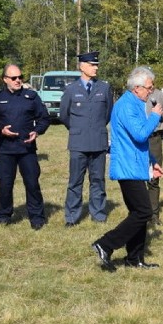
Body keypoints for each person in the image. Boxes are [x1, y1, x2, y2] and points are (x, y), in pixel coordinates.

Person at [91, 66, 163, 271]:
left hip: (136, 166)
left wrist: (152, 161)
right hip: (127, 167)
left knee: (138, 213)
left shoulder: (135, 103)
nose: (151, 91)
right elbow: (141, 134)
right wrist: (155, 116)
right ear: (137, 88)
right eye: (149, 87)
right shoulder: (126, 106)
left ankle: (135, 259)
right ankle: (105, 244)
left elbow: (138, 142)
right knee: (143, 212)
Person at [0, 64, 51, 230]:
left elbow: (44, 118)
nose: (18, 80)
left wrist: (37, 132)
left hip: (27, 149)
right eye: (14, 78)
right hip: (5, 149)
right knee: (5, 184)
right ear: (5, 80)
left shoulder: (31, 96)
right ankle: (3, 214)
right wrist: (0, 130)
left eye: (20, 77)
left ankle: (37, 217)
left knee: (32, 183)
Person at [60, 51, 114, 226]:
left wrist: (94, 130)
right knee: (75, 181)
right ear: (82, 66)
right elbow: (64, 115)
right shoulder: (71, 89)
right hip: (78, 143)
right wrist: (78, 129)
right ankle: (72, 216)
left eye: (96, 65)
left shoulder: (104, 88)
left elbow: (107, 114)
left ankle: (98, 214)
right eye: (92, 65)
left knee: (98, 180)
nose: (96, 68)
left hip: (98, 142)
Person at [145, 81, 163, 226]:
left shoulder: (160, 96)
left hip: (154, 138)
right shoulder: (134, 96)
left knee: (154, 178)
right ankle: (139, 213)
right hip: (137, 139)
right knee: (136, 179)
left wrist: (162, 134)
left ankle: (154, 215)